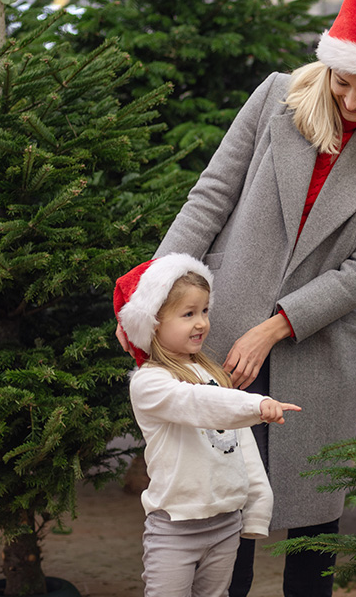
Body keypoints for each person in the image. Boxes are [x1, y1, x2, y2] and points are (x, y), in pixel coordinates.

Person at [116, 0, 356, 594]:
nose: (354, 102)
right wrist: (153, 295)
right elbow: (209, 197)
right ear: (329, 68)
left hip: (319, 341)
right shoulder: (276, 98)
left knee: (314, 525)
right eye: (345, 83)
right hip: (221, 325)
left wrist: (278, 324)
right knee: (222, 501)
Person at [113, 252, 301, 597]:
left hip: (226, 524)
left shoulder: (212, 375)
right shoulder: (148, 383)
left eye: (204, 311)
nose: (201, 323)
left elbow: (240, 443)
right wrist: (257, 404)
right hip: (175, 528)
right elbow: (200, 404)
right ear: (152, 324)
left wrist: (258, 505)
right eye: (188, 314)